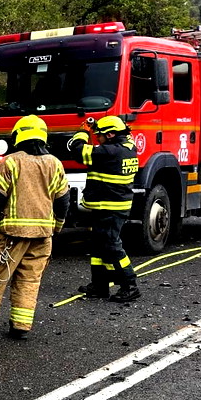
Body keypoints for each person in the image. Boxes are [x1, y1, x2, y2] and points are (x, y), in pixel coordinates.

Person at [0, 115, 70, 339]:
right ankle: (21, 327)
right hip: (42, 236)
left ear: (18, 136)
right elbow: (63, 200)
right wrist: (56, 226)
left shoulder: (10, 162)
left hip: (11, 235)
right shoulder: (55, 164)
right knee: (29, 280)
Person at [67, 115, 141, 302]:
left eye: (99, 136)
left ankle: (130, 285)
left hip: (110, 206)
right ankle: (100, 285)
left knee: (111, 245)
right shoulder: (128, 146)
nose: (97, 139)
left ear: (111, 135)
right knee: (99, 247)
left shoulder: (111, 152)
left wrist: (84, 130)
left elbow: (77, 151)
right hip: (110, 205)